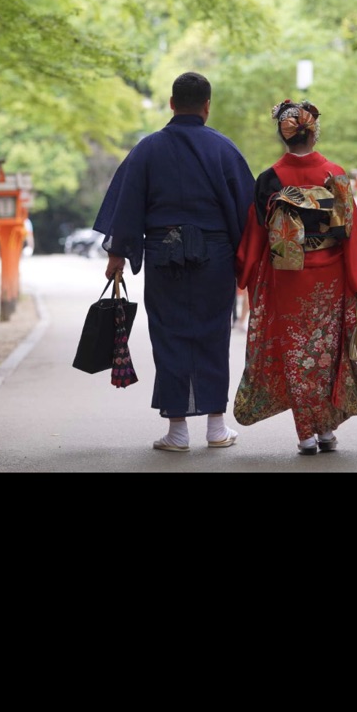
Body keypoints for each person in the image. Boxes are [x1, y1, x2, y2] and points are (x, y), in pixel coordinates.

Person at [94, 72, 256, 451]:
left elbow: (127, 203)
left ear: (171, 103)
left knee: (169, 335)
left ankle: (178, 430)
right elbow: (247, 211)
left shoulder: (148, 149)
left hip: (163, 253)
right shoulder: (223, 149)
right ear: (207, 106)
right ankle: (216, 427)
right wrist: (247, 262)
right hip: (214, 255)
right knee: (214, 333)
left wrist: (117, 255)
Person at [232, 98, 357, 454]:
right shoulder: (334, 173)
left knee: (297, 353)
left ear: (284, 136)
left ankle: (307, 434)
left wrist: (244, 269)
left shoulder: (269, 179)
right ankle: (324, 430)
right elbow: (350, 231)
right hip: (330, 276)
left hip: (288, 275)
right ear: (314, 132)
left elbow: (256, 233)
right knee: (325, 354)